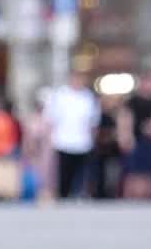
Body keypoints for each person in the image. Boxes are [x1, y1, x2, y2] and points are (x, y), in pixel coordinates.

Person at [45, 72, 100, 200]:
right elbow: (50, 119)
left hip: (83, 142)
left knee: (81, 172)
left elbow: (93, 121)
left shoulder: (88, 97)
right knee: (64, 173)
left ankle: (79, 194)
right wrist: (49, 140)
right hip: (63, 141)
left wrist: (93, 138)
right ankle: (62, 196)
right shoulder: (59, 95)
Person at [89, 92, 124, 200]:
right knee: (98, 176)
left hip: (113, 153)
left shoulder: (117, 115)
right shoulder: (98, 115)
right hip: (99, 152)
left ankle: (112, 195)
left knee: (113, 177)